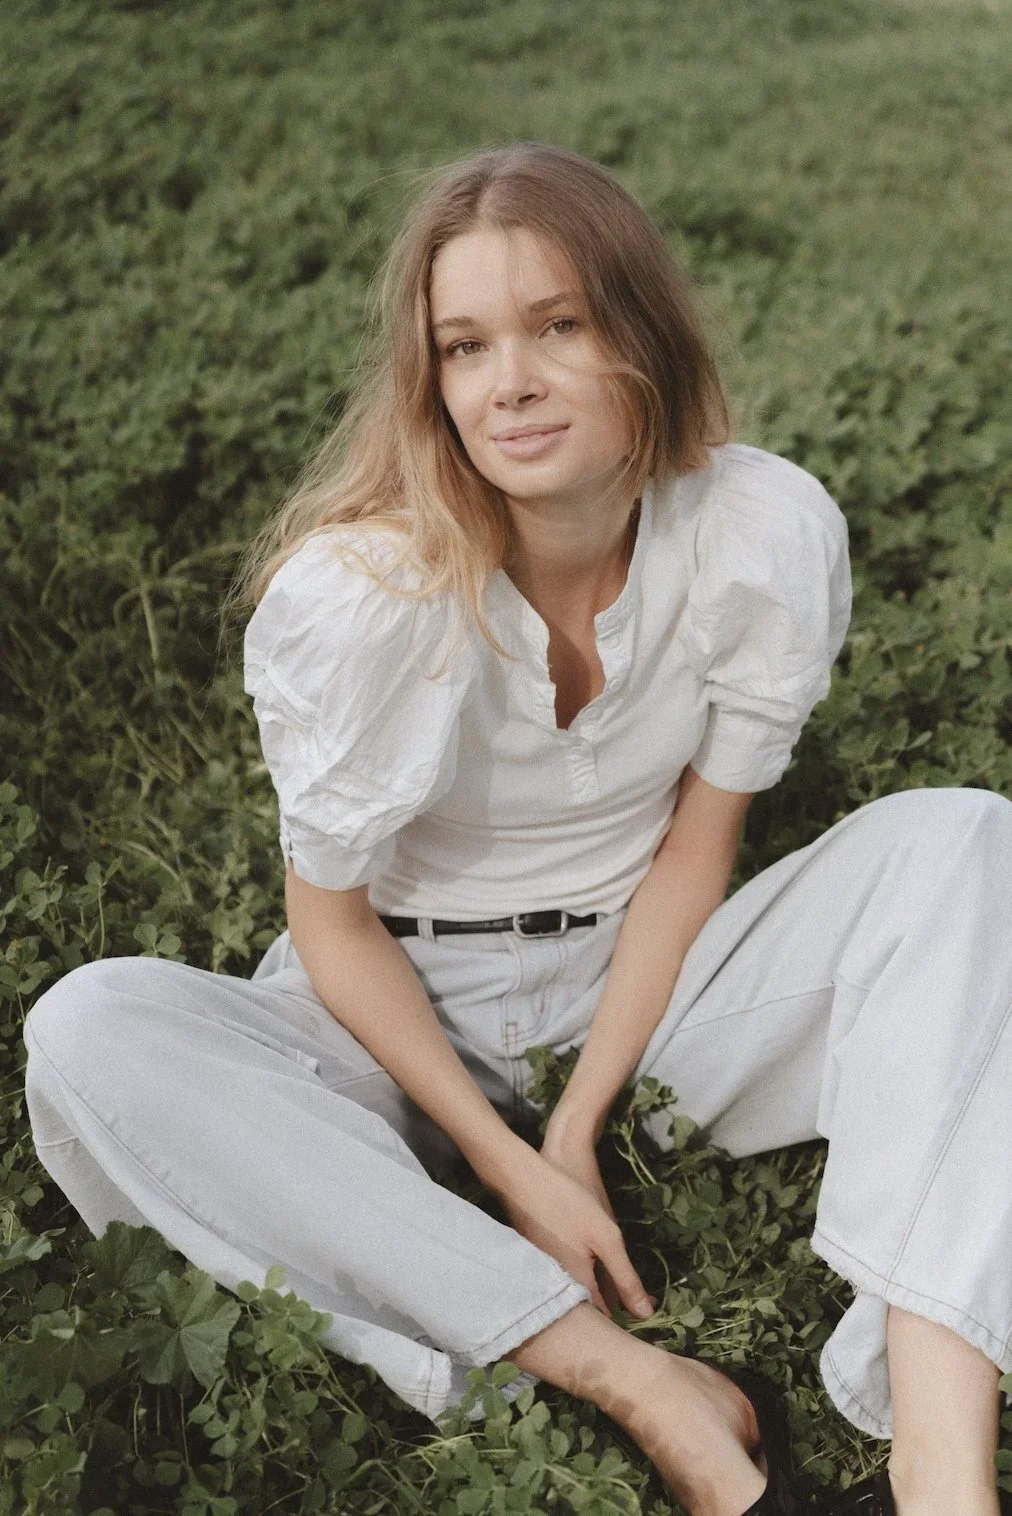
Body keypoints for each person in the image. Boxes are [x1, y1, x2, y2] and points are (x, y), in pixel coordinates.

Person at [22, 141, 1012, 1516]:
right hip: (393, 1006)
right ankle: (634, 1382)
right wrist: (512, 1169)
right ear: (430, 379)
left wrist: (579, 1120)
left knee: (966, 839)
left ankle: (942, 1470)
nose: (512, 382)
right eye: (467, 345)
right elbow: (332, 925)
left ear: (641, 338)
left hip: (649, 983)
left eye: (559, 325)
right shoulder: (365, 598)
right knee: (90, 1028)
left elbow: (695, 853)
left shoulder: (754, 532)